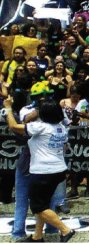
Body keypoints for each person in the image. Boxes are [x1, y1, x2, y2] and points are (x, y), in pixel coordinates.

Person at [3, 98, 76, 242]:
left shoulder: (40, 127)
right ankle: (37, 236)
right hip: (59, 170)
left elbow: (13, 126)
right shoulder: (61, 128)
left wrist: (8, 108)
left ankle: (65, 230)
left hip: (43, 172)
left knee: (37, 207)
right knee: (43, 202)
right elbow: (63, 147)